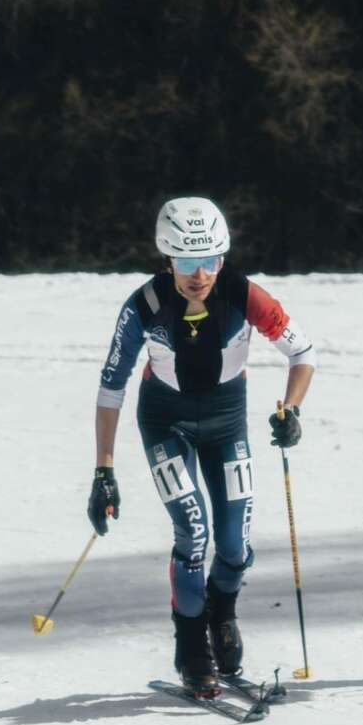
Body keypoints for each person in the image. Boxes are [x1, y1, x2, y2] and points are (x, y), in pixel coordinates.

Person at [90, 197, 317, 695]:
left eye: (210, 261)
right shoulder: (145, 306)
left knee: (235, 547)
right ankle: (191, 640)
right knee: (193, 530)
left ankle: (222, 614)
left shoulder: (244, 294)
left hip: (226, 421)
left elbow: (302, 353)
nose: (200, 275)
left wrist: (292, 410)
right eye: (188, 263)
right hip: (166, 420)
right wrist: (103, 471)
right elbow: (112, 388)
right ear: (167, 259)